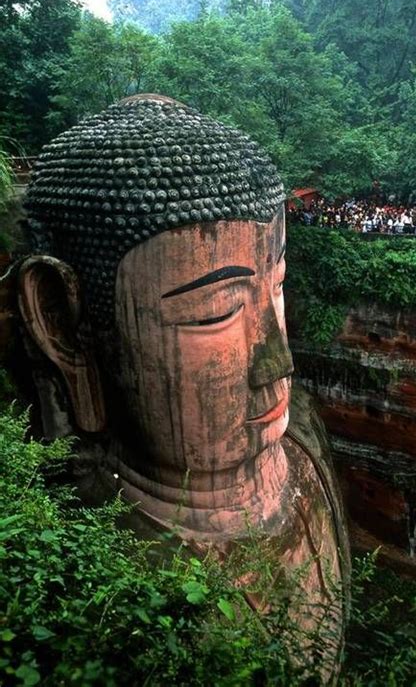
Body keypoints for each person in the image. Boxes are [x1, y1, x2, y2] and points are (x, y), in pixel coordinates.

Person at [18, 94, 349, 677]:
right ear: (64, 326)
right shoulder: (100, 583)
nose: (278, 363)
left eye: (278, 289)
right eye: (215, 313)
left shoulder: (305, 448)